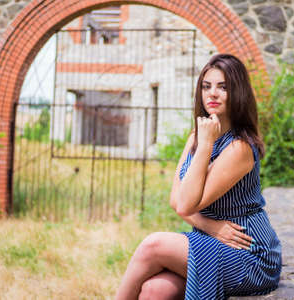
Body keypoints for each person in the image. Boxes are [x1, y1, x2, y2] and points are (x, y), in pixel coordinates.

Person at [115, 54, 281, 300]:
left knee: (152, 246)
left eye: (223, 87)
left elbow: (185, 205)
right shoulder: (196, 135)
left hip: (248, 252)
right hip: (211, 240)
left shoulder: (239, 148)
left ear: (238, 93)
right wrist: (211, 227)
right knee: (155, 290)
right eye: (207, 86)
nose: (212, 93)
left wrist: (205, 147)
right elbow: (176, 199)